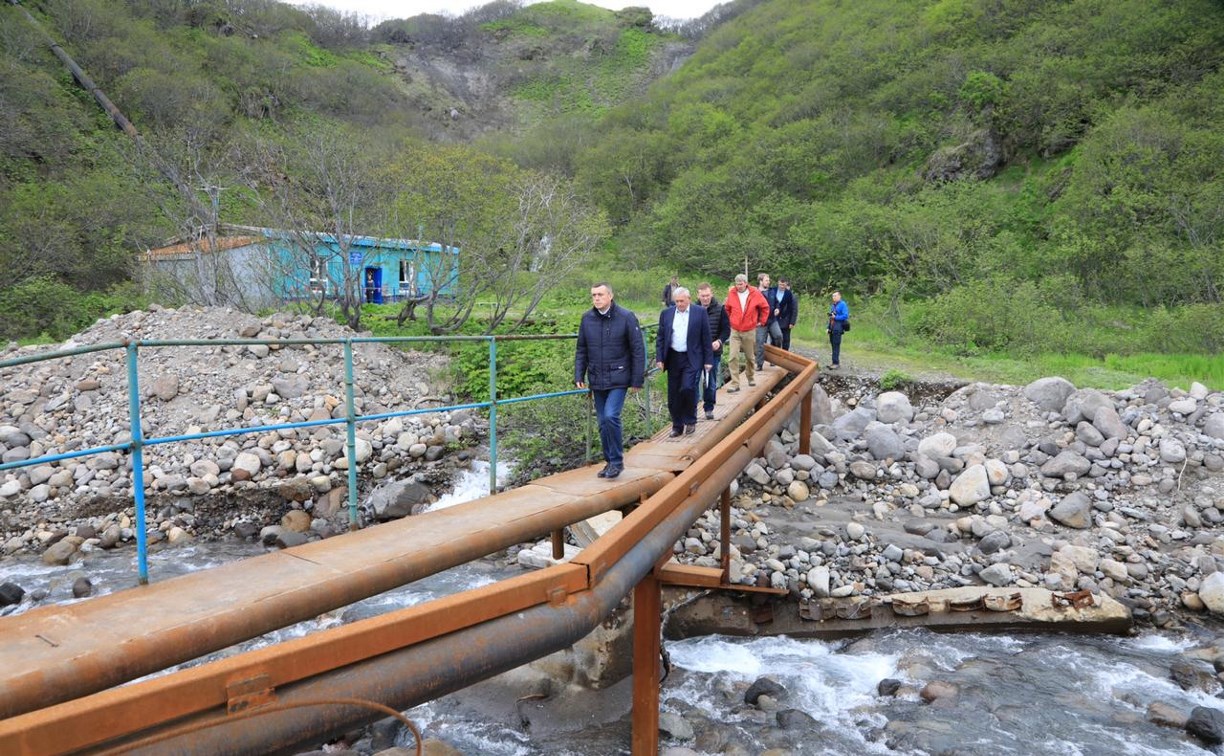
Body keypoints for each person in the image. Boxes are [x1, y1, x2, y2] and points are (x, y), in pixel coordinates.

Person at [575, 283, 645, 479]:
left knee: (610, 416)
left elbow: (637, 349)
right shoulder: (587, 319)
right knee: (602, 422)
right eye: (594, 295)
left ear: (610, 296)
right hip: (597, 378)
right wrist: (579, 374)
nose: (596, 298)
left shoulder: (626, 317)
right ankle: (609, 462)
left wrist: (637, 379)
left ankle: (616, 461)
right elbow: (581, 349)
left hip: (619, 376)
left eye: (600, 294)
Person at [655, 287, 713, 436]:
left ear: (688, 299)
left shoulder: (699, 312)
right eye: (677, 301)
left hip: (691, 357)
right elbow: (661, 337)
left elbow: (706, 338)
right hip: (673, 357)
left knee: (687, 387)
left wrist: (708, 360)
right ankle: (677, 425)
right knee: (673, 393)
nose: (679, 304)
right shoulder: (666, 314)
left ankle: (690, 420)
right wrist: (660, 358)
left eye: (682, 301)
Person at [723, 274, 769, 393]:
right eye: (737, 284)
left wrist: (761, 321)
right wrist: (731, 320)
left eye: (741, 284)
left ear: (745, 283)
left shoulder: (755, 293)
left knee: (750, 356)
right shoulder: (731, 293)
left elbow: (765, 307)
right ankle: (735, 383)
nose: (739, 286)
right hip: (735, 330)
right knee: (733, 356)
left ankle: (750, 376)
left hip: (749, 330)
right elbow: (727, 308)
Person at [696, 283, 731, 420]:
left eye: (708, 295)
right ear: (698, 295)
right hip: (696, 352)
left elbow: (726, 329)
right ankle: (692, 409)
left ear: (712, 294)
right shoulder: (692, 309)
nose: (705, 298)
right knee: (693, 381)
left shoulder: (720, 309)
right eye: (703, 296)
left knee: (710, 382)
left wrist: (719, 341)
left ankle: (709, 408)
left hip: (713, 352)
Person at [755, 273, 784, 370]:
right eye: (766, 280)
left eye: (768, 280)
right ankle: (759, 364)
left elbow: (777, 303)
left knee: (778, 336)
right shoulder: (755, 293)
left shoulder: (772, 291)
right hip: (760, 322)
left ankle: (773, 359)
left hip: (772, 320)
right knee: (760, 342)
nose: (769, 282)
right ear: (761, 281)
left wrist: (777, 309)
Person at [827, 290, 849, 369]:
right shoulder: (833, 305)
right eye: (833, 296)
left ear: (839, 296)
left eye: (835, 296)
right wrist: (828, 327)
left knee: (836, 345)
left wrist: (836, 317)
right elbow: (830, 318)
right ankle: (833, 362)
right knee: (833, 345)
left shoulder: (843, 304)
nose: (834, 297)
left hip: (838, 328)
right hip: (832, 328)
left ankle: (836, 363)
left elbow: (845, 316)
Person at [776, 277, 797, 351]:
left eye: (784, 285)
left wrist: (792, 322)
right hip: (776, 321)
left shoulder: (792, 296)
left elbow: (794, 310)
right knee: (776, 339)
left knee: (786, 339)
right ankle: (775, 356)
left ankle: (784, 355)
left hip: (787, 321)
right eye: (780, 285)